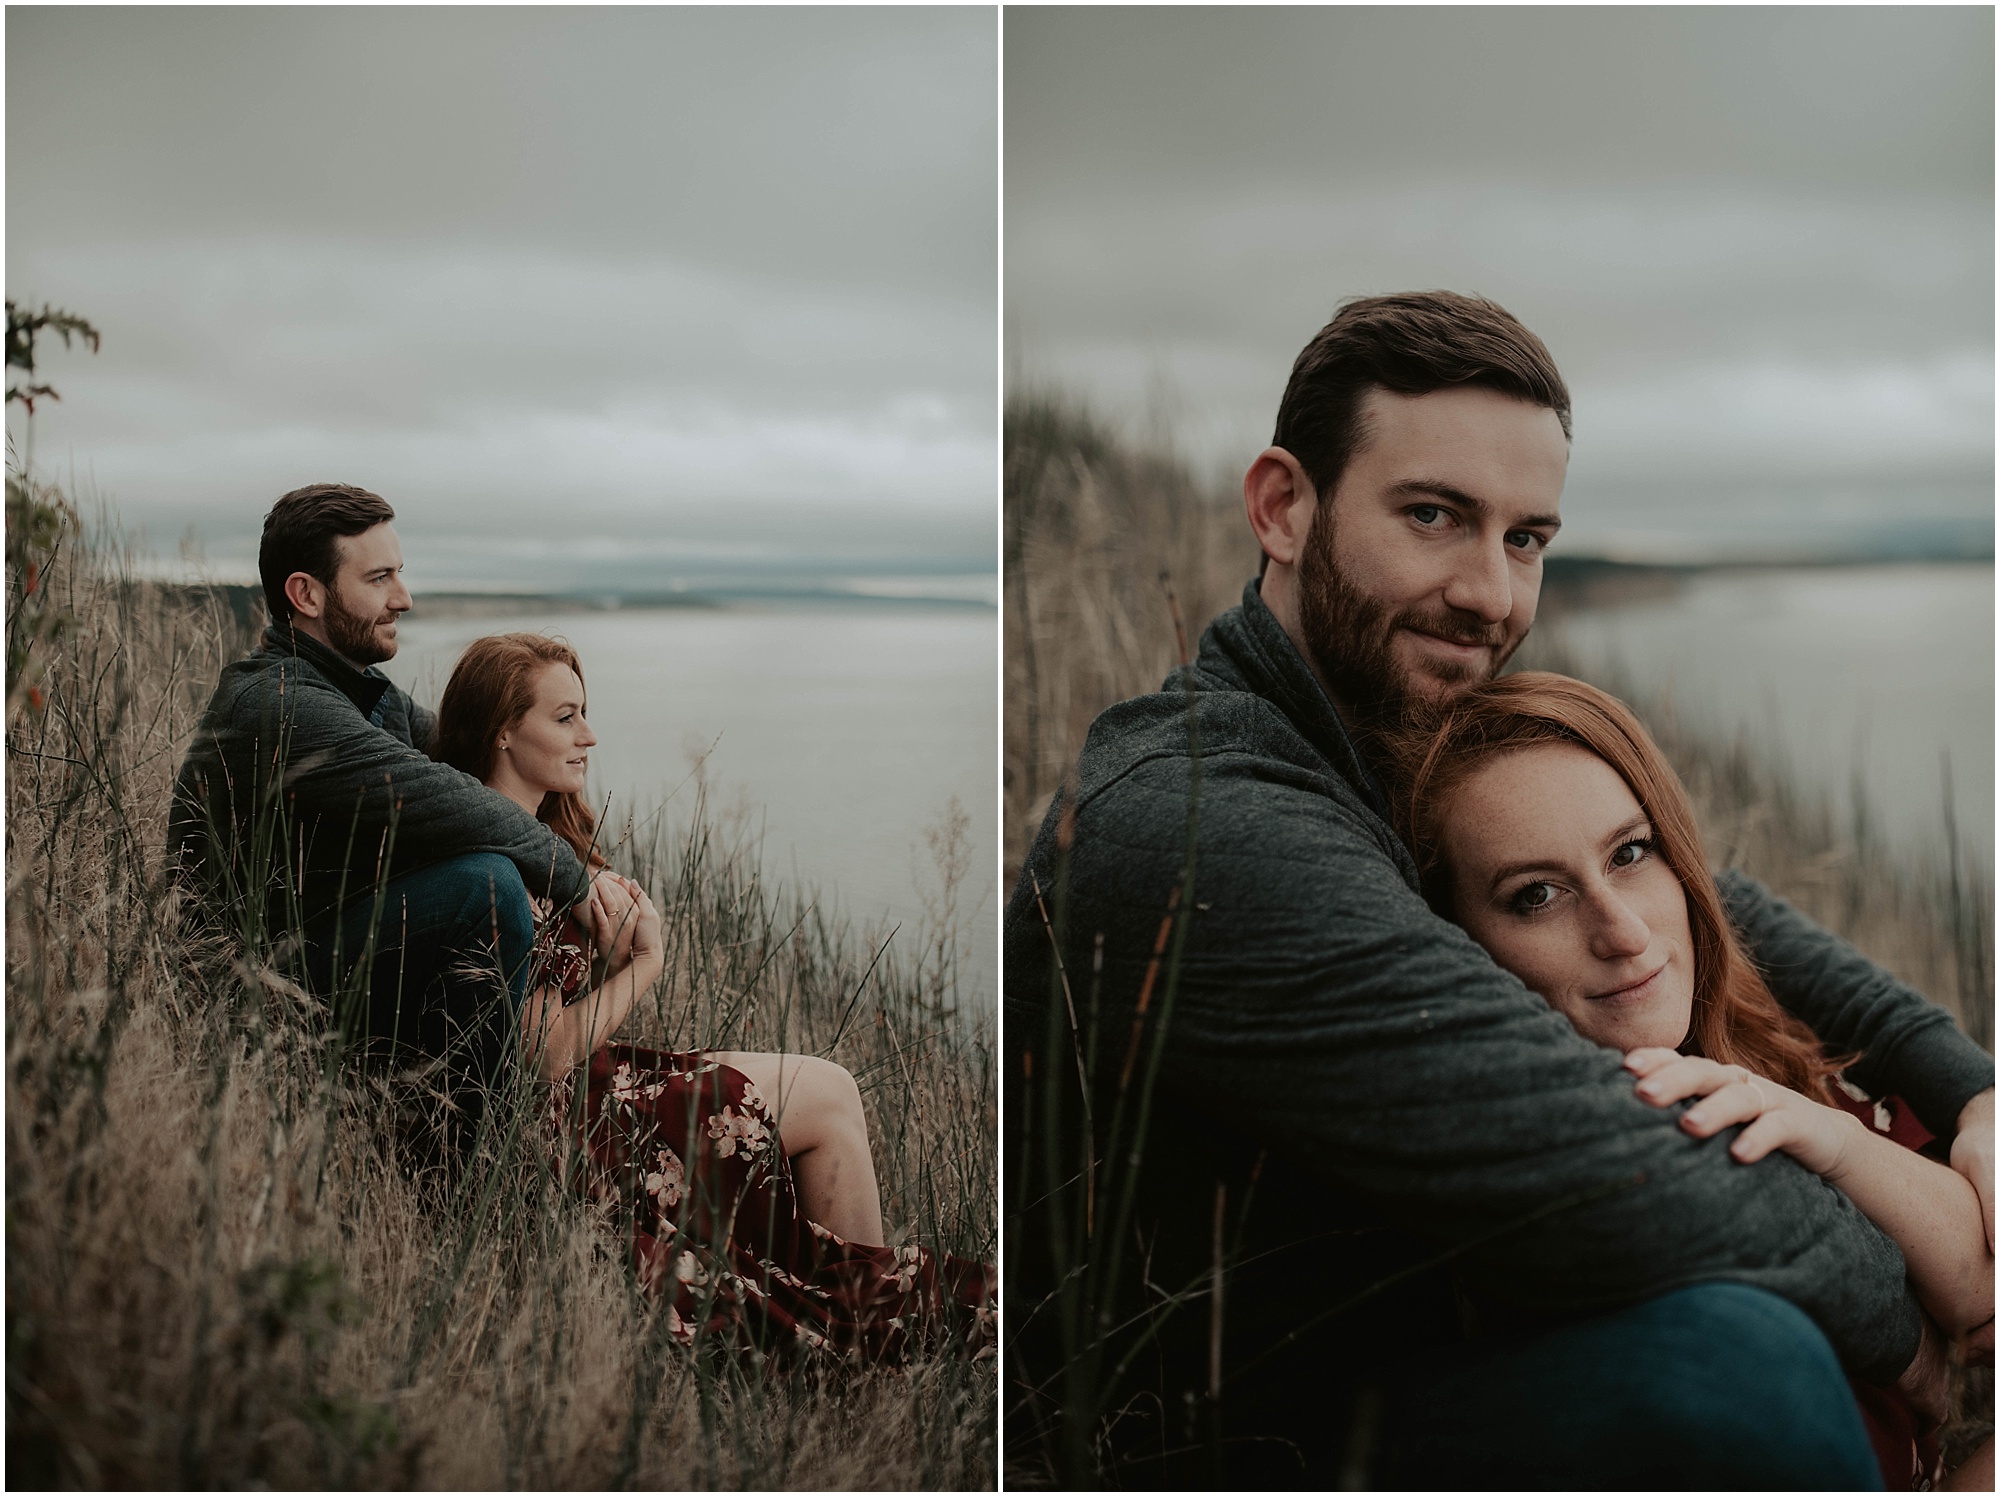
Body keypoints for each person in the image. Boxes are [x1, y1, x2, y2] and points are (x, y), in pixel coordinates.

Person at [1002, 292, 1995, 1487]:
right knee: (1735, 1367)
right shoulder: (1204, 818)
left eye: (1524, 539)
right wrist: (1920, 1336)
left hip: (1396, 1360)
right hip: (1206, 1439)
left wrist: (1967, 1088)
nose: (1489, 595)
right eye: (1432, 515)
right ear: (1281, 507)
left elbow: (1703, 891)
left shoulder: (1373, 728)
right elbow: (1605, 1178)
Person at [1384, 670, 1993, 1490]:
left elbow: (1980, 1281)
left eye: (1629, 853)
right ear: (1459, 942)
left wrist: (1839, 1136)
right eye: (1536, 895)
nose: (1624, 932)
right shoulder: (1571, 1167)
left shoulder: (1766, 1034)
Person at [429, 631, 993, 1361]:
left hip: (590, 1084)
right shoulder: (495, 865)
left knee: (832, 1088)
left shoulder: (536, 837)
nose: (589, 735)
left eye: (585, 712)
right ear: (503, 729)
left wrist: (607, 930)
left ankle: (861, 1303)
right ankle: (869, 1325)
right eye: (565, 717)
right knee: (826, 1095)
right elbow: (545, 1054)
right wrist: (646, 961)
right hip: (553, 1124)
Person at [171, 484, 620, 1151]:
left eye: (399, 573)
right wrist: (575, 878)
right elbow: (441, 791)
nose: (403, 597)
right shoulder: (278, 703)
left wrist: (551, 771)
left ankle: (472, 1112)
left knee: (489, 870)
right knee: (487, 885)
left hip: (319, 950)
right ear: (307, 594)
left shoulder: (363, 690)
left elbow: (467, 759)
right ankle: (476, 1166)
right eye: (379, 577)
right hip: (247, 993)